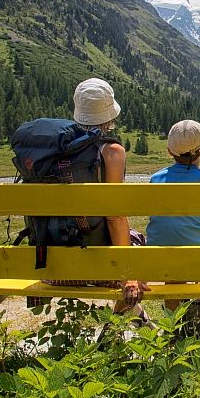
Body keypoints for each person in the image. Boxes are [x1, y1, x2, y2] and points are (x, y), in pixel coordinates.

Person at [46, 78, 149, 315]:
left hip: (54, 268)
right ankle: (114, 336)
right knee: (144, 262)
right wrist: (129, 275)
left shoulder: (56, 148)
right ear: (110, 113)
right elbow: (114, 216)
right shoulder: (111, 152)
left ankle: (125, 330)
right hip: (102, 267)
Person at [147, 119, 200, 324]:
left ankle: (173, 327)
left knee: (174, 268)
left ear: (170, 151)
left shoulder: (156, 179)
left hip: (157, 255)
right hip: (196, 255)